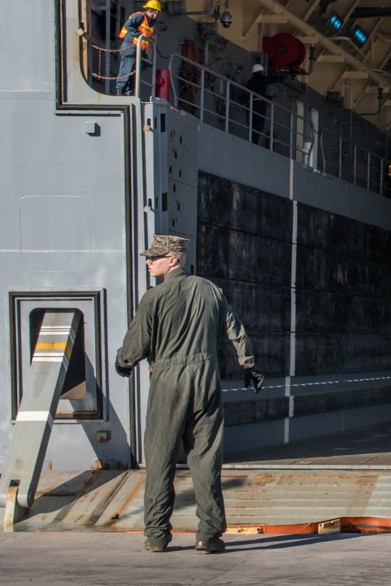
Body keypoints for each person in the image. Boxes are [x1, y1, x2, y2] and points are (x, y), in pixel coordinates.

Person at [114, 234, 261, 554]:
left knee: (160, 459)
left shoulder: (154, 297)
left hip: (168, 381)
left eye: (155, 256)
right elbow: (237, 332)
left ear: (174, 259)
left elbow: (136, 345)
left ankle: (156, 535)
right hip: (206, 380)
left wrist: (123, 363)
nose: (149, 261)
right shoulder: (211, 290)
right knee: (206, 458)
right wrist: (248, 366)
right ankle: (208, 534)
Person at [115, 0, 162, 95]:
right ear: (154, 11)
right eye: (156, 12)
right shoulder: (139, 17)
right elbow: (128, 25)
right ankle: (121, 89)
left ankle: (129, 90)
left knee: (134, 71)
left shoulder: (150, 23)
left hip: (139, 49)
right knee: (127, 67)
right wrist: (139, 35)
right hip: (130, 45)